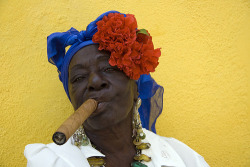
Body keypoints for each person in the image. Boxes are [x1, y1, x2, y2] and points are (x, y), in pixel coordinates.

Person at [24, 11, 209, 167]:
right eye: (79, 78)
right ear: (71, 96)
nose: (95, 81)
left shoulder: (183, 158)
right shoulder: (47, 161)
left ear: (136, 87)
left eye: (108, 68)